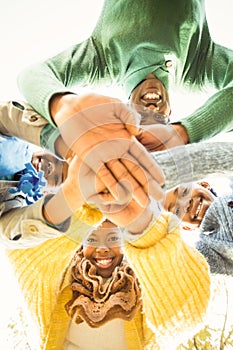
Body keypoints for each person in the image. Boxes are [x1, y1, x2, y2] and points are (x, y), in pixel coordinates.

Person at [17, 0, 233, 156]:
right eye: (159, 120)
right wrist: (186, 131)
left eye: (139, 118)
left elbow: (31, 74)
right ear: (170, 114)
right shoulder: (197, 68)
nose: (151, 110)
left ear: (126, 108)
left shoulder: (102, 62)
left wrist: (64, 106)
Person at [5, 207, 210, 349]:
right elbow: (27, 260)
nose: (102, 248)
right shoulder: (64, 278)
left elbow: (184, 315)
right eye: (91, 239)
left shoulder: (144, 281)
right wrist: (86, 214)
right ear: (80, 245)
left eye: (113, 239)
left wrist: (138, 224)